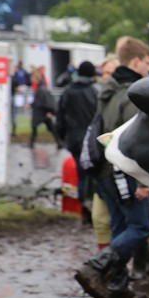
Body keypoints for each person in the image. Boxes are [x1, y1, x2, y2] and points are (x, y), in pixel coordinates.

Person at [74, 36, 149, 298]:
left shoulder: (106, 90)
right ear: (135, 61)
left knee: (121, 229)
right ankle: (95, 266)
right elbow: (138, 139)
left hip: (103, 172)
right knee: (141, 228)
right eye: (146, 61)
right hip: (126, 172)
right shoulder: (134, 92)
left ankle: (118, 285)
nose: (148, 66)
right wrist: (144, 181)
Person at [55, 61, 98, 223]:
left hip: (73, 140)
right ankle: (91, 205)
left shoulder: (67, 92)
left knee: (81, 174)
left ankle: (84, 209)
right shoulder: (94, 91)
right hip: (91, 140)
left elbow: (60, 119)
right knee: (92, 174)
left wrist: (63, 137)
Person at [29, 68, 57, 148]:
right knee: (49, 128)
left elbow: (46, 101)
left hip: (42, 112)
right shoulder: (39, 88)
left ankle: (59, 142)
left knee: (51, 128)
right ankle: (31, 143)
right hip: (41, 112)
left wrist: (50, 111)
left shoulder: (42, 89)